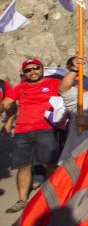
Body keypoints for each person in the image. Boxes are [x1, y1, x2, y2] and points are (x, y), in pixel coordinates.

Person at [0, 59, 60, 213]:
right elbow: (6, 102)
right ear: (23, 73)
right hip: (22, 131)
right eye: (28, 70)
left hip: (46, 128)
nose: (32, 71)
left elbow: (73, 93)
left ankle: (53, 196)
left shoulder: (53, 83)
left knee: (50, 164)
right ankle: (22, 200)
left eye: (36, 68)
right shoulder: (20, 87)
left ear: (42, 69)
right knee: (23, 166)